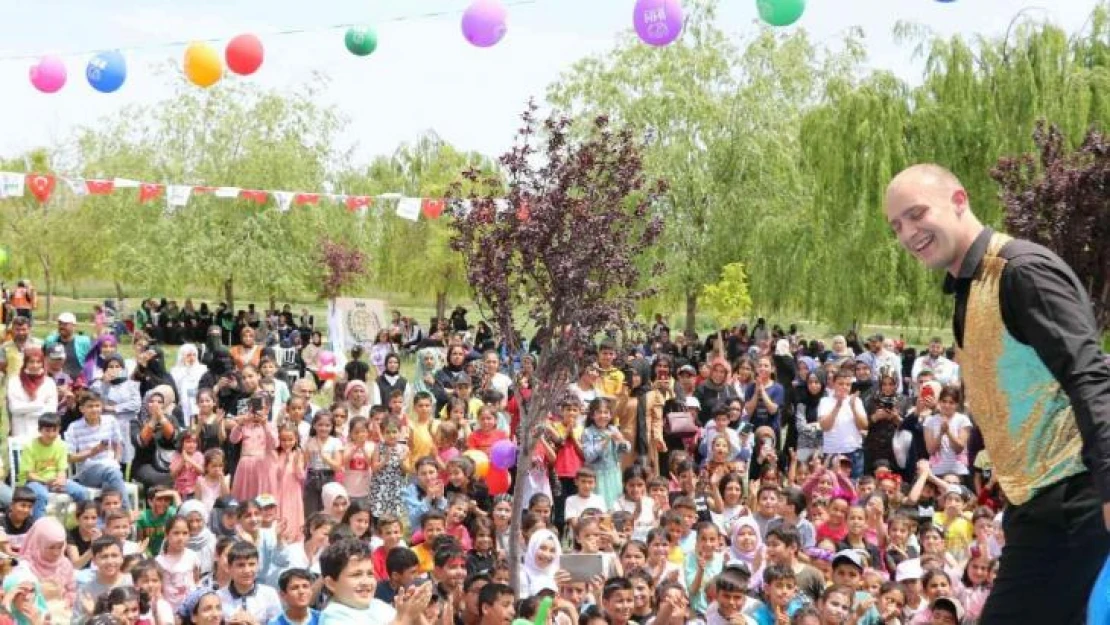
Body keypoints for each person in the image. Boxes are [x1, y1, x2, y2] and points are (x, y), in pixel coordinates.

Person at [885, 163, 1110, 623]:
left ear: (960, 200)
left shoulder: (1022, 272)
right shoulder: (971, 287)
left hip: (1079, 502)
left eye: (916, 213)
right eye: (897, 226)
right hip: (1035, 510)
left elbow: (1091, 378)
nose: (908, 233)